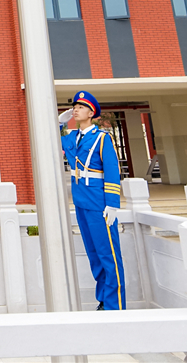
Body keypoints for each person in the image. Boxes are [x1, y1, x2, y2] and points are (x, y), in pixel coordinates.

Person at [58, 90, 125, 310]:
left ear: (91, 113)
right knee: (94, 255)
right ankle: (103, 301)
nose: (75, 110)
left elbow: (112, 171)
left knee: (108, 254)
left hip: (99, 202)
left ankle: (115, 306)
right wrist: (59, 123)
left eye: (80, 107)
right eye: (74, 107)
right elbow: (50, 140)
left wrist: (112, 203)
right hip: (81, 202)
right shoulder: (72, 138)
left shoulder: (102, 138)